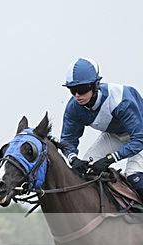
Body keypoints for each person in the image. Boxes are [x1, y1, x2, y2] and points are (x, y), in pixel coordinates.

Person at [60, 57, 143, 190]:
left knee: (134, 177)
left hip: (140, 135)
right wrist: (73, 159)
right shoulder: (73, 108)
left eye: (82, 89)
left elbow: (139, 139)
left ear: (95, 85)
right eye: (72, 90)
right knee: (86, 172)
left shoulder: (120, 100)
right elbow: (67, 140)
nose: (77, 95)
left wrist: (110, 158)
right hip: (115, 135)